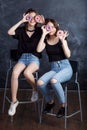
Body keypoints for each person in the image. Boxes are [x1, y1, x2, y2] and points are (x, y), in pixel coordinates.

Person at [7, 8, 44, 116]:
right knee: (14, 73)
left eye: (34, 17)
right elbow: (10, 32)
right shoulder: (21, 30)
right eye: (29, 17)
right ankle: (14, 101)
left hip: (34, 58)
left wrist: (43, 22)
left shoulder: (40, 31)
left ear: (37, 19)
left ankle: (35, 89)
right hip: (22, 58)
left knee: (27, 73)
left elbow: (52, 29)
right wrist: (21, 21)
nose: (32, 19)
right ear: (26, 17)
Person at [37, 18, 73, 118]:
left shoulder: (62, 37)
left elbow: (68, 55)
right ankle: (50, 102)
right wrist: (43, 34)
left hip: (66, 68)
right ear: (45, 28)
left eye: (53, 27)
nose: (51, 29)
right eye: (49, 27)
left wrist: (63, 41)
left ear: (56, 26)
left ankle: (63, 105)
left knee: (54, 81)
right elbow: (39, 49)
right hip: (54, 68)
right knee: (40, 83)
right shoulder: (46, 39)